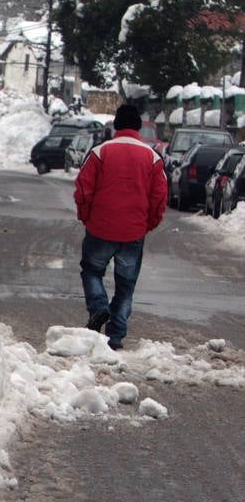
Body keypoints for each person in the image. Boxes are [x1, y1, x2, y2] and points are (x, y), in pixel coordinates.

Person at [73, 103, 167, 350]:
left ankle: (98, 307)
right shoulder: (152, 157)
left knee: (92, 271)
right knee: (126, 286)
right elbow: (159, 198)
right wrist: (148, 223)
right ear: (138, 127)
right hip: (134, 232)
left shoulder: (99, 152)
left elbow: (83, 189)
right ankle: (115, 335)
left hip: (100, 228)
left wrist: (86, 216)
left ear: (116, 125)